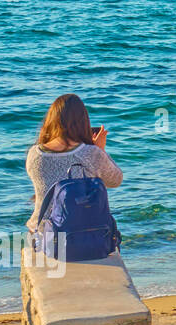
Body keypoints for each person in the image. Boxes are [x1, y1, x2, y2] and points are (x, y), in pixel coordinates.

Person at [26, 94, 123, 228]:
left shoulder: (35, 154)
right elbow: (115, 180)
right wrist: (100, 150)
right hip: (83, 233)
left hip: (44, 234)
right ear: (83, 121)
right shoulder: (90, 153)